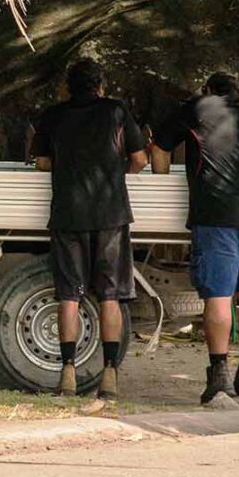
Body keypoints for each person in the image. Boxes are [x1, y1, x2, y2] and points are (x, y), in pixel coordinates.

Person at [151, 72, 239, 405]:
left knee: (219, 296)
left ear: (208, 92)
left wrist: (161, 181)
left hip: (217, 214)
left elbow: (159, 149)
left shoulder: (198, 108)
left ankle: (219, 377)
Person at [30, 59, 148, 400]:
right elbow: (139, 159)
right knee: (110, 296)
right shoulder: (116, 111)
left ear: (68, 86)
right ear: (101, 85)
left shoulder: (54, 115)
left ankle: (67, 372)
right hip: (110, 215)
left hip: (68, 215)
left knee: (68, 294)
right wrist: (115, 169)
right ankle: (109, 375)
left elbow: (40, 161)